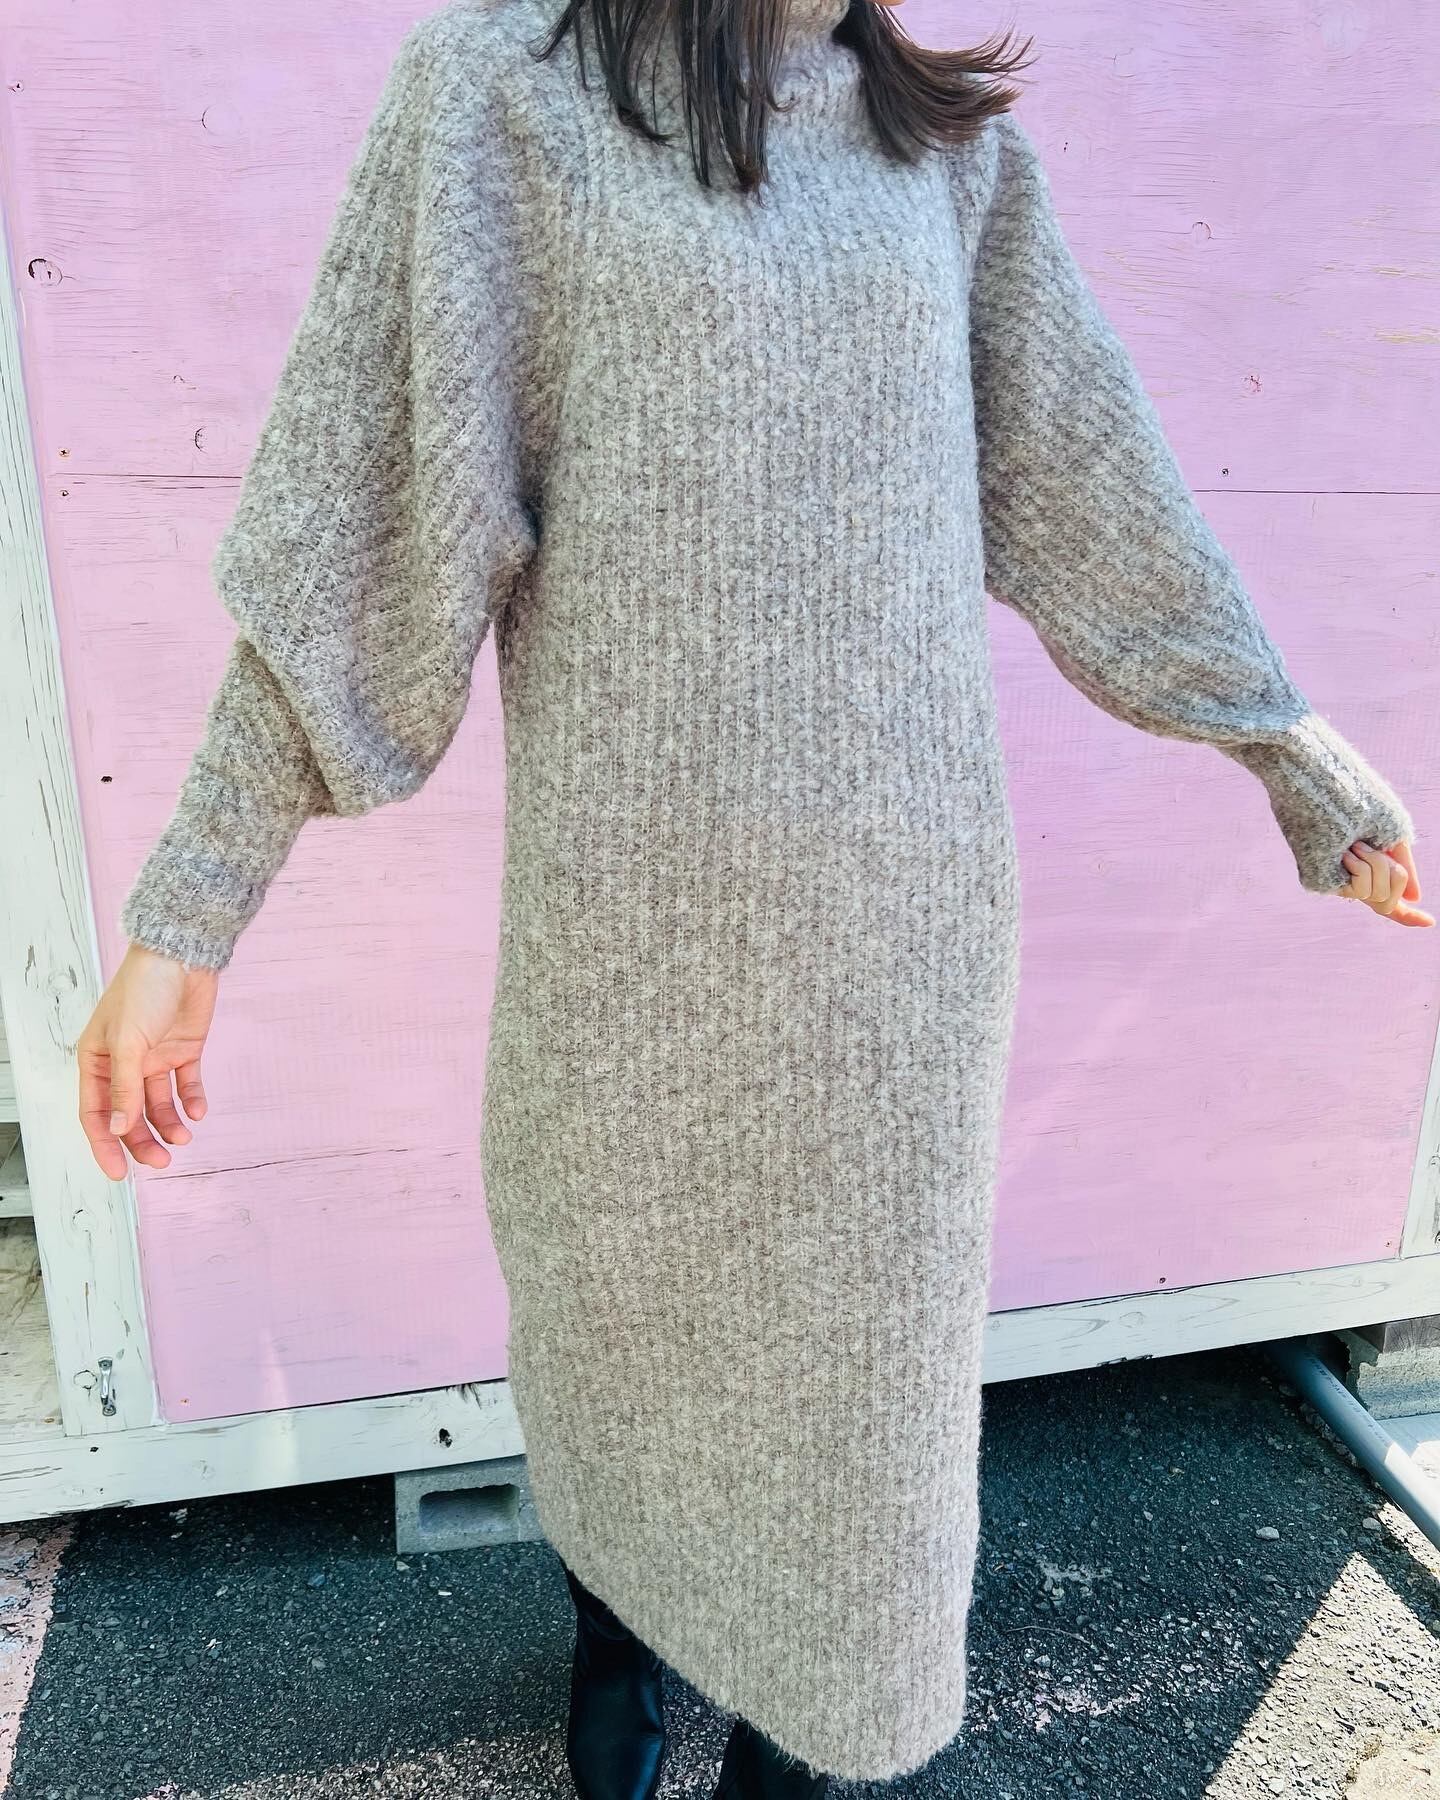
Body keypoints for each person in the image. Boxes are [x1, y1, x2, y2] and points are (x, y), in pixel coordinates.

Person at [78, 0, 1428, 1792]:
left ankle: (804, 1748)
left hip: (897, 959)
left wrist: (1292, 751)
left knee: (862, 1435)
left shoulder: (944, 153)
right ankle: (622, 1639)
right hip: (628, 951)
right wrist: (192, 907)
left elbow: (1099, 492)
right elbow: (366, 530)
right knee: (622, 1353)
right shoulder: (507, 95)